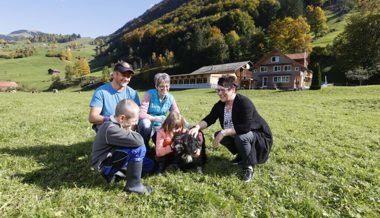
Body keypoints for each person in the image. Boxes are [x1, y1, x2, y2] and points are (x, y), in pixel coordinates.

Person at [188, 75, 272, 182]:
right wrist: (197, 127)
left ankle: (248, 167)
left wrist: (224, 132)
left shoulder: (244, 102)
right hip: (241, 134)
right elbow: (210, 118)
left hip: (259, 137)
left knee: (240, 137)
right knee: (220, 135)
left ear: (232, 89)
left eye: (222, 90)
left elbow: (245, 128)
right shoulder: (220, 105)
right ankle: (242, 155)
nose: (219, 93)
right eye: (217, 90)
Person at [91, 99, 153, 194]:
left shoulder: (118, 125)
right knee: (139, 148)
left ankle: (118, 175)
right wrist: (129, 130)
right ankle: (133, 186)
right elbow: (139, 141)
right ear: (122, 118)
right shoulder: (110, 128)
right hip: (105, 166)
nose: (135, 123)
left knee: (150, 165)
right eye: (134, 120)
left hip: (114, 158)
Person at [89, 62, 140, 132]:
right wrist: (112, 120)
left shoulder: (132, 93)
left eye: (128, 76)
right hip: (108, 126)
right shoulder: (101, 92)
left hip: (127, 128)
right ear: (114, 74)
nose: (126, 79)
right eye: (123, 75)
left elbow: (136, 117)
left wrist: (129, 132)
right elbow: (92, 117)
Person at [138, 73, 180, 149]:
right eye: (161, 86)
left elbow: (176, 113)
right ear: (156, 86)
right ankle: (144, 147)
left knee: (165, 146)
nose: (165, 89)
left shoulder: (170, 98)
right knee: (145, 123)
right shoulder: (149, 94)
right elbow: (141, 114)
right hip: (148, 125)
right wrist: (156, 119)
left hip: (161, 127)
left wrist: (183, 123)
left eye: (167, 86)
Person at [155, 111, 201, 176]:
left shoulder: (185, 130)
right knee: (162, 160)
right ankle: (161, 169)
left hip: (180, 155)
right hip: (166, 155)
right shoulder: (161, 132)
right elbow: (158, 152)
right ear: (167, 125)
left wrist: (197, 149)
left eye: (177, 128)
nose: (174, 130)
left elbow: (197, 137)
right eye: (172, 127)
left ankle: (180, 165)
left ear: (181, 125)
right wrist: (172, 146)